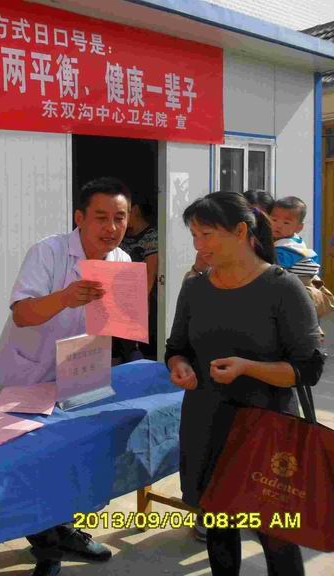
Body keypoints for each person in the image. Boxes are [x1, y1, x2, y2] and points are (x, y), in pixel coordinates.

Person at [166, 191, 323, 576]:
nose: (199, 246)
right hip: (206, 424)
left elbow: (308, 368)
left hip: (267, 430)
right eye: (194, 236)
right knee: (219, 531)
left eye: (207, 235)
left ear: (240, 231)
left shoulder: (282, 288)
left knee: (277, 538)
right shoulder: (195, 288)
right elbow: (176, 347)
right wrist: (179, 366)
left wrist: (248, 367)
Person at [0, 177, 133, 576]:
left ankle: (63, 532)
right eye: (101, 217)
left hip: (77, 378)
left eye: (120, 217)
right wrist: (66, 297)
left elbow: (113, 326)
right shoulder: (48, 252)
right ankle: (47, 546)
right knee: (26, 466)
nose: (111, 227)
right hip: (27, 375)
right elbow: (22, 313)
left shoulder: (121, 261)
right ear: (79, 218)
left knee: (71, 460)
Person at [120, 189, 158, 359]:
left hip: (142, 302)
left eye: (123, 212)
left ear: (134, 209)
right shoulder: (122, 236)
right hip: (121, 300)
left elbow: (149, 275)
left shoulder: (151, 236)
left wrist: (138, 309)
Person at [270, 196, 320, 280]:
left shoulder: (287, 248)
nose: (278, 225)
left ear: (299, 228)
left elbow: (274, 267)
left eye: (286, 223)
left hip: (301, 280)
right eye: (274, 220)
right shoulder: (294, 240)